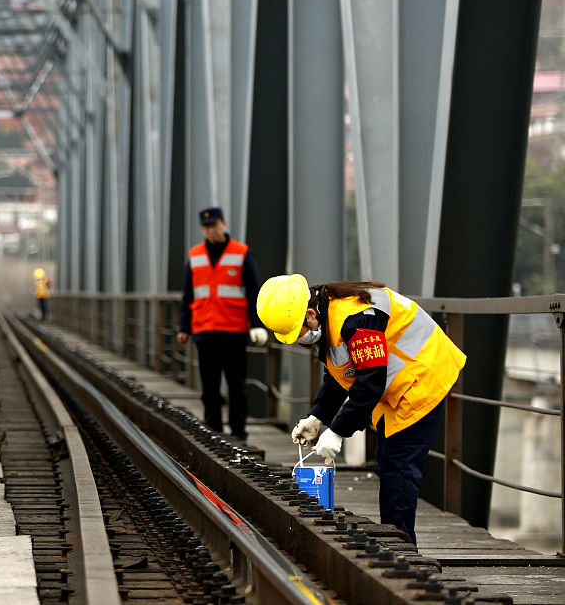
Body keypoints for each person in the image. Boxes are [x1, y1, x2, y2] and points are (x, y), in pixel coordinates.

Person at [257, 274, 466, 546]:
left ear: (310, 314)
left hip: (422, 376)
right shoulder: (329, 312)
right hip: (398, 382)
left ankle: (402, 549)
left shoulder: (356, 320)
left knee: (398, 468)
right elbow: (341, 372)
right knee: (388, 461)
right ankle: (396, 542)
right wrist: (318, 416)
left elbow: (371, 382)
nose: (299, 341)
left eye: (298, 333)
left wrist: (338, 431)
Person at [175, 206, 268, 441]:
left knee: (236, 385)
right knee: (209, 386)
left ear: (224, 224)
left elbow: (253, 291)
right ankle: (213, 430)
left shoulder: (242, 252)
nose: (211, 230)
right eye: (206, 226)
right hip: (204, 330)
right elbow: (188, 294)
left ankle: (239, 433)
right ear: (202, 229)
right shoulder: (195, 255)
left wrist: (256, 324)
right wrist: (184, 327)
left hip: (234, 330)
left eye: (215, 225)